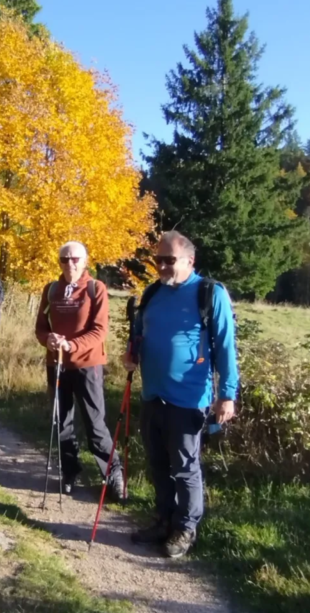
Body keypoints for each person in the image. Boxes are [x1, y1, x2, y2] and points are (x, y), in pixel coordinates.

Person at [123, 231, 238, 558]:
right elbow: (139, 331)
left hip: (189, 398)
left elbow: (227, 347)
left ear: (190, 261)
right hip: (153, 393)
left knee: (185, 467)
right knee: (157, 462)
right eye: (157, 260)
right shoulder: (152, 293)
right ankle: (163, 519)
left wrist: (227, 394)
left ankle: (186, 529)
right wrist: (131, 353)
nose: (161, 266)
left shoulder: (209, 294)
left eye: (168, 260)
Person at [35, 241, 124, 499]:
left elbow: (99, 330)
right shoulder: (51, 289)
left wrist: (72, 344)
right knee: (61, 422)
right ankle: (69, 471)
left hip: (88, 365)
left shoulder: (96, 288)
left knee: (95, 424)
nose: (69, 263)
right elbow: (41, 327)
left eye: (74, 259)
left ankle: (113, 474)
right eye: (64, 259)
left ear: (85, 261)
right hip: (57, 364)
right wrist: (48, 339)